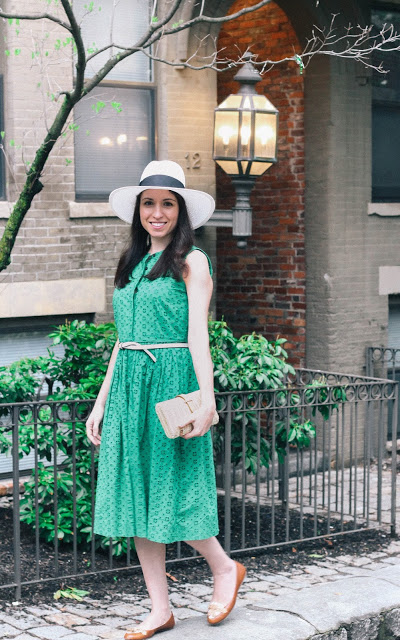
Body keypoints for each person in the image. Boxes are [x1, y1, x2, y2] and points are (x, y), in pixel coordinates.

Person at [85, 160, 246, 639]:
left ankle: (223, 568)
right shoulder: (131, 264)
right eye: (149, 203)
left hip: (171, 384)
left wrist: (207, 399)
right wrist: (100, 401)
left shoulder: (192, 262)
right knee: (137, 499)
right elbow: (122, 340)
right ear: (138, 210)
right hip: (129, 388)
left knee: (175, 491)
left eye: (167, 204)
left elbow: (198, 335)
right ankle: (160, 609)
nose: (158, 212)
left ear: (181, 211)